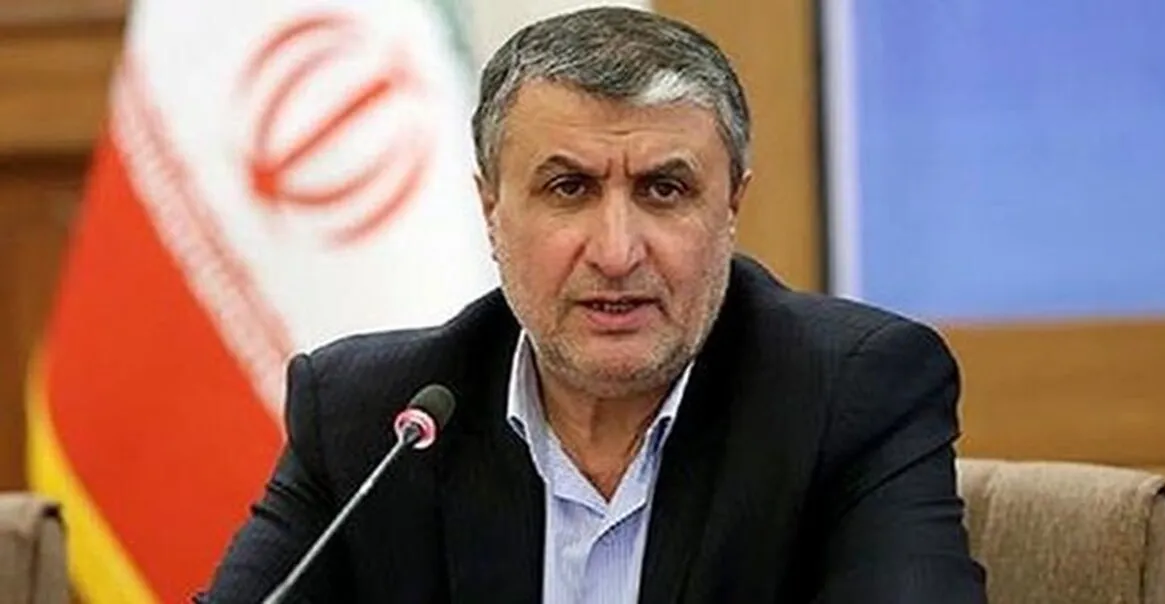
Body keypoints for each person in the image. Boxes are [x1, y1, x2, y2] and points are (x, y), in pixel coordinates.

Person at [198, 6, 986, 603]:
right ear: (491, 210)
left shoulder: (852, 397)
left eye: (664, 189)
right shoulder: (373, 418)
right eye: (568, 188)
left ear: (730, 208)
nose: (616, 252)